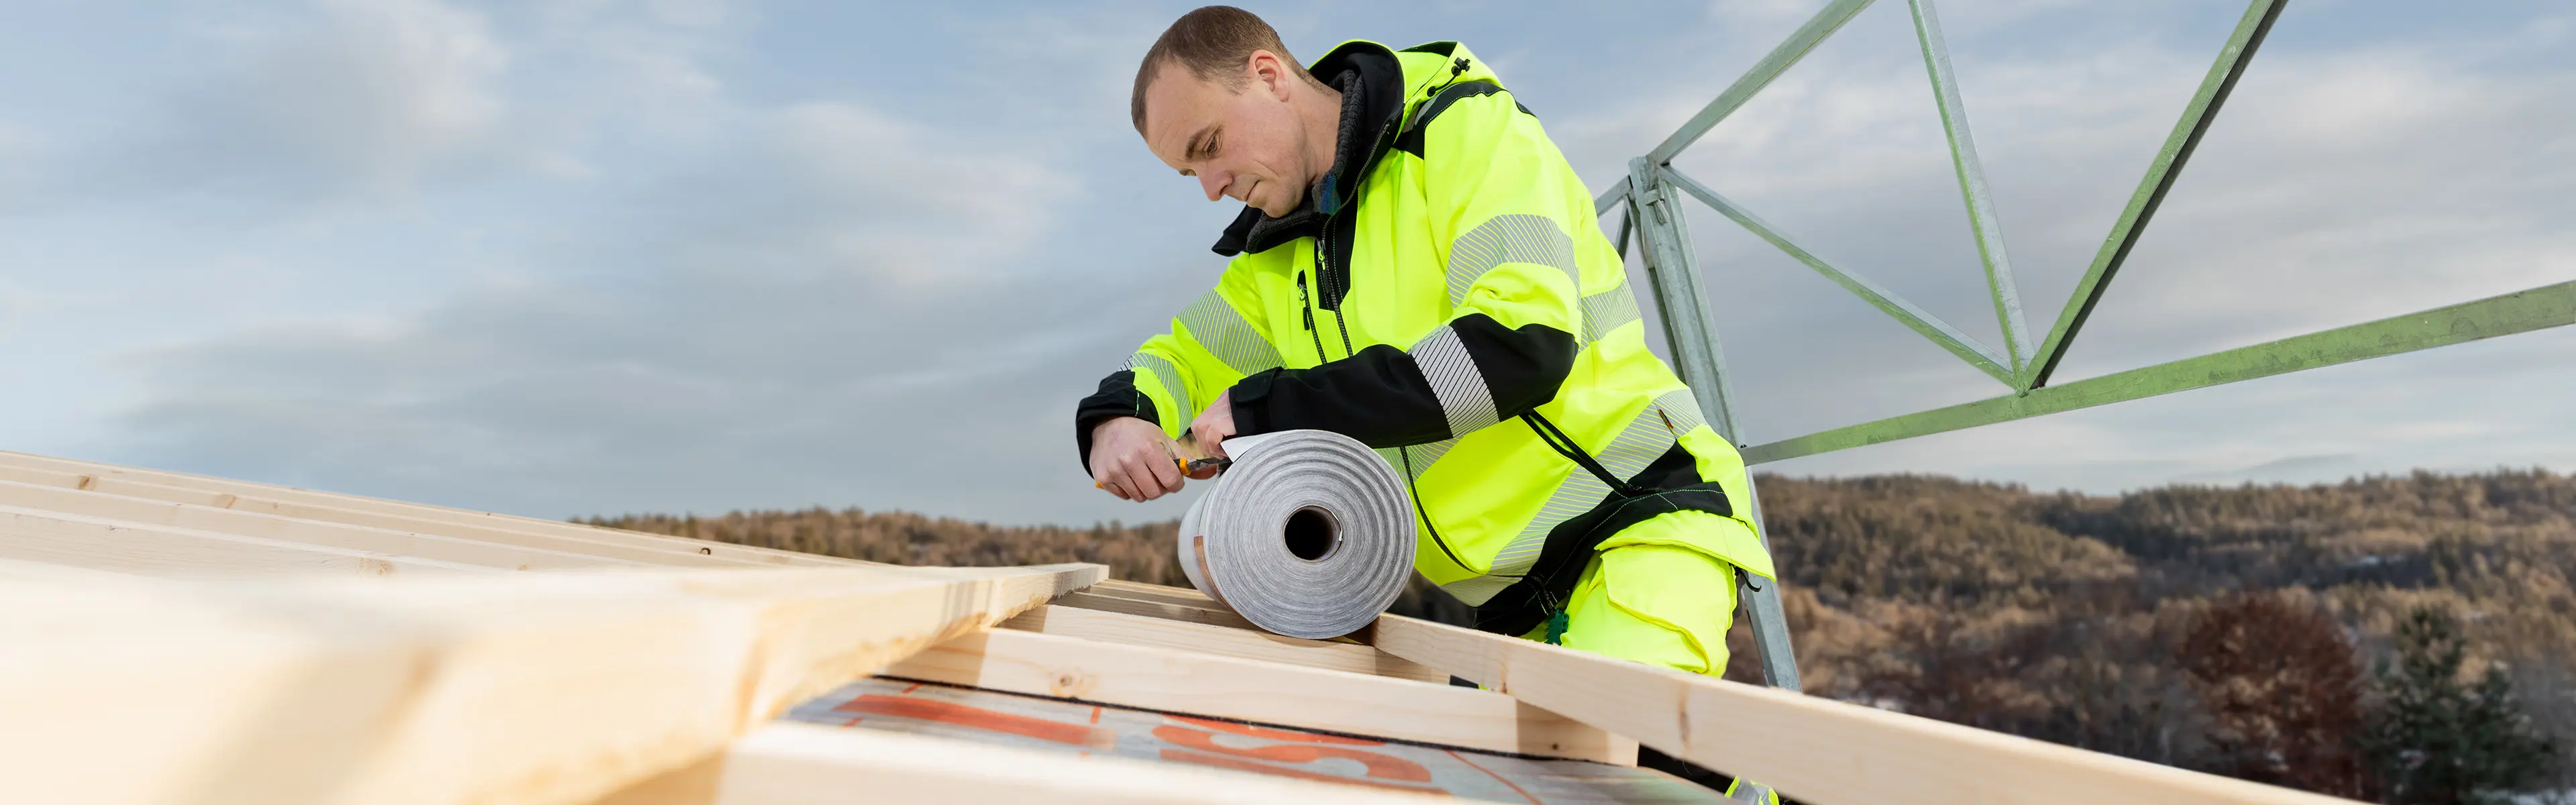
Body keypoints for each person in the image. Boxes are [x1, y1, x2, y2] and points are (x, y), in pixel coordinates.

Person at [1077, 3, 1774, 704]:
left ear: (1269, 76)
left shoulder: (1467, 133)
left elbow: (1519, 347)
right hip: (1507, 606)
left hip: (1636, 523)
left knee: (1614, 764)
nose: (1210, 187)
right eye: (1187, 173)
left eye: (1209, 145)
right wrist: (1120, 417)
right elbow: (1181, 359)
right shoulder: (1274, 261)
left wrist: (1275, 409)